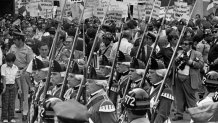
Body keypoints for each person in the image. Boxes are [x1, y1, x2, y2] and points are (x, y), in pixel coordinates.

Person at [172, 37, 204, 121]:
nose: (183, 46)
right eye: (182, 44)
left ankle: (195, 115)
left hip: (189, 78)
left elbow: (201, 65)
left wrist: (190, 62)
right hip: (178, 77)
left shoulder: (197, 54)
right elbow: (174, 64)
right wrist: (177, 60)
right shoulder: (179, 52)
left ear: (190, 45)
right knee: (179, 97)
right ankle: (179, 114)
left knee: (191, 98)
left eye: (185, 44)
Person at [8, 30, 34, 121]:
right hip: (13, 72)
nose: (14, 41)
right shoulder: (12, 47)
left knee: (25, 92)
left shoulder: (28, 49)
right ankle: (18, 108)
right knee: (13, 92)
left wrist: (23, 70)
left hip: (23, 72)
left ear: (20, 40)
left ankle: (25, 112)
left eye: (15, 39)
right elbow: (9, 57)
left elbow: (31, 62)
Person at [1, 53, 21, 123]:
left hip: (13, 86)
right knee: (5, 102)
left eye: (10, 62)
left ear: (13, 61)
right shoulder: (3, 66)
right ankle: (4, 118)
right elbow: (3, 77)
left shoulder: (16, 68)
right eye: (7, 61)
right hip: (6, 85)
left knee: (12, 102)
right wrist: (4, 87)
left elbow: (17, 78)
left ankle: (11, 117)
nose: (8, 63)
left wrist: (20, 88)